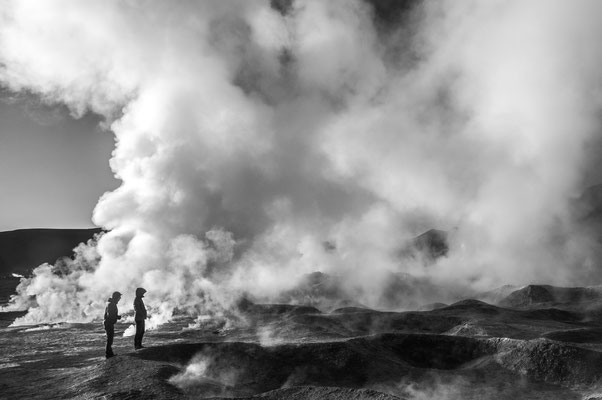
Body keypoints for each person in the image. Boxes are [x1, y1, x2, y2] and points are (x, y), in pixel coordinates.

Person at [103, 291, 122, 358]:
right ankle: (108, 354)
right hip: (109, 323)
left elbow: (110, 314)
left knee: (110, 339)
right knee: (110, 339)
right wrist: (116, 317)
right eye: (119, 298)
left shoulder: (111, 303)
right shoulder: (111, 304)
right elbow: (110, 315)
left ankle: (109, 353)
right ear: (116, 298)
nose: (119, 299)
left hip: (109, 323)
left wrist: (116, 316)